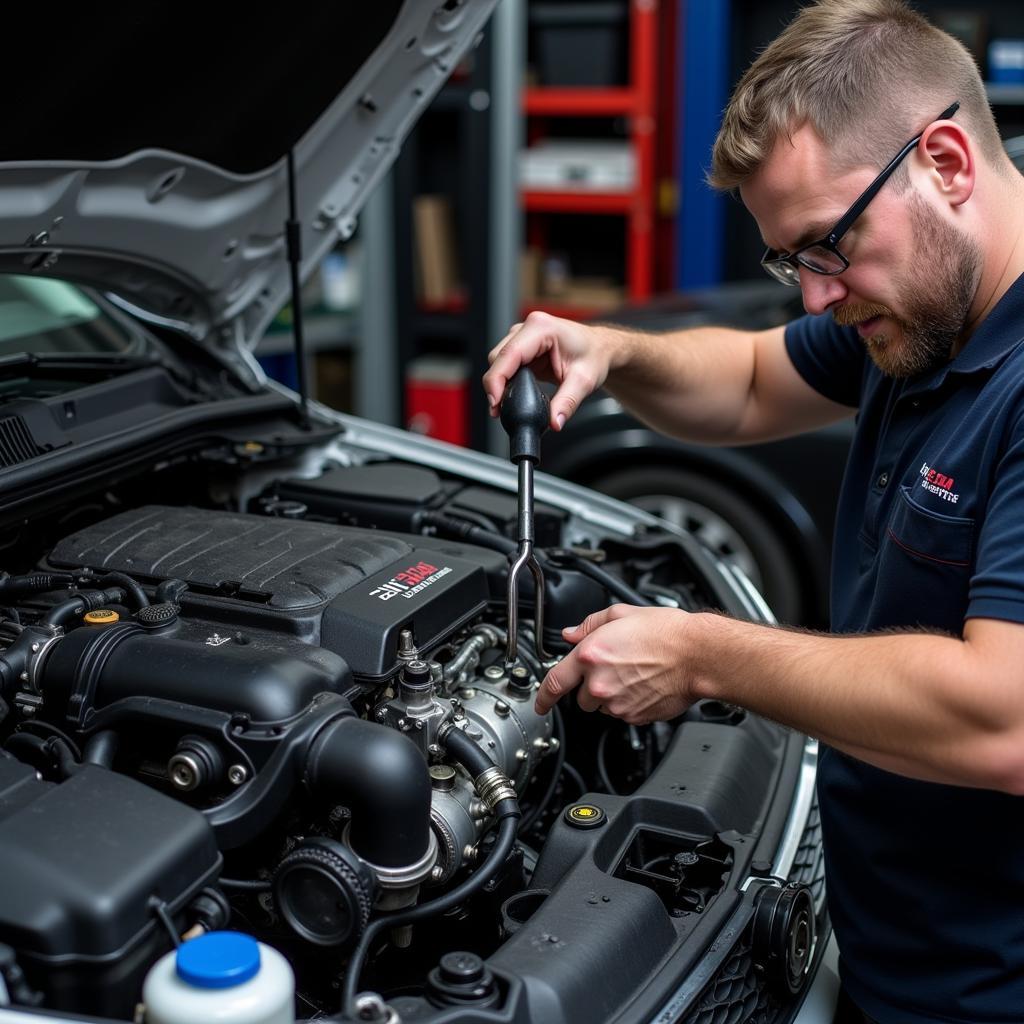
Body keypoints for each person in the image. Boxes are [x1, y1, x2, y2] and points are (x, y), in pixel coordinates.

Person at [482, 2, 1024, 1022]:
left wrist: (702, 655)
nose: (817, 299)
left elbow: (1005, 717)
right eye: (794, 263)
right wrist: (612, 354)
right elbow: (742, 381)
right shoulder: (928, 313)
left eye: (827, 246)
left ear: (945, 161)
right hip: (891, 941)